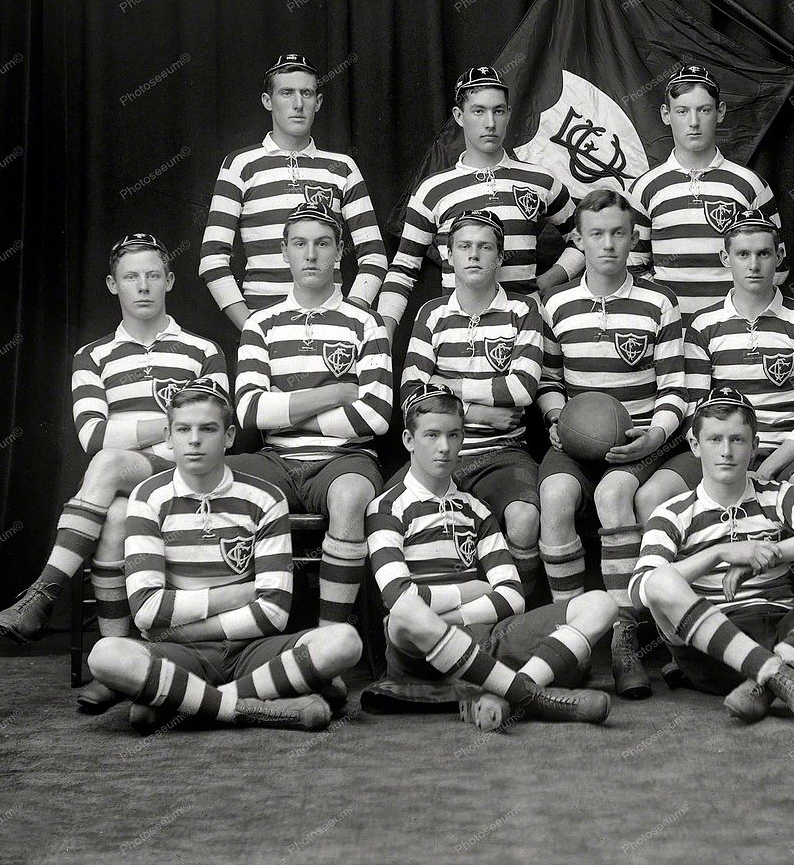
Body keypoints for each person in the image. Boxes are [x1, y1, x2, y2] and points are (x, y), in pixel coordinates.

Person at [0, 233, 226, 713]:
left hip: (188, 473)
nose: (143, 286)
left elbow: (210, 430)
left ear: (170, 280)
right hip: (131, 478)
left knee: (110, 463)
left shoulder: (202, 350)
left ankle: (43, 593)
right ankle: (119, 665)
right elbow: (93, 435)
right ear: (113, 285)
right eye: (131, 277)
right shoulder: (92, 356)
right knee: (114, 516)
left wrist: (156, 431)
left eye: (153, 275)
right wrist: (171, 424)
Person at [87, 378, 362, 734]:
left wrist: (178, 628)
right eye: (183, 429)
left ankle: (186, 704)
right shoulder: (147, 497)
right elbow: (146, 610)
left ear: (229, 436)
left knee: (343, 642)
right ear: (168, 437)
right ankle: (248, 708)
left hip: (250, 650)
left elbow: (274, 613)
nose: (194, 440)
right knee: (105, 655)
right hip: (182, 655)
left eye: (208, 429)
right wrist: (236, 595)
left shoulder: (265, 498)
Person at [362, 385, 614, 730]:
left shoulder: (477, 511)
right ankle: (530, 696)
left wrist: (456, 616)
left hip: (484, 639)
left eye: (453, 435)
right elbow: (399, 596)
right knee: (404, 613)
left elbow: (512, 597)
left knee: (601, 604)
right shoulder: (386, 508)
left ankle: (505, 691)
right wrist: (472, 591)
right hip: (418, 646)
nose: (444, 447)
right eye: (432, 435)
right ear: (409, 440)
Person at [631, 388, 794, 727]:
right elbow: (641, 590)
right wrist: (719, 553)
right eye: (714, 439)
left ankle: (776, 673)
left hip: (791, 636)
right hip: (715, 650)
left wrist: (772, 553)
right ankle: (781, 674)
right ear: (695, 445)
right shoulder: (673, 512)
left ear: (754, 446)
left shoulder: (777, 497)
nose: (726, 451)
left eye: (737, 439)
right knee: (659, 581)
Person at [536, 189, 686, 699]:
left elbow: (675, 388)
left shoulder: (659, 301)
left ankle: (624, 638)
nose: (608, 244)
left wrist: (655, 435)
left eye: (618, 233)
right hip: (576, 440)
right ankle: (572, 636)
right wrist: (555, 418)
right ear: (578, 240)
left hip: (641, 437)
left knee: (613, 494)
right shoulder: (557, 303)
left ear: (633, 237)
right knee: (554, 497)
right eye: (596, 234)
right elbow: (548, 380)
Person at [231, 203, 392, 626]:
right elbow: (248, 410)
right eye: (300, 244)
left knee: (351, 497)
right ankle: (242, 629)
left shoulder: (366, 323)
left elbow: (375, 417)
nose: (311, 255)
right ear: (283, 251)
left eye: (322, 244)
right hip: (275, 460)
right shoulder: (260, 324)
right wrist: (333, 394)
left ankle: (331, 636)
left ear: (339, 252)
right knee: (214, 482)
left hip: (345, 459)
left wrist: (284, 410)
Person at [636, 210, 794, 520]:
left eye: (763, 253)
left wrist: (769, 467)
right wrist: (724, 460)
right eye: (743, 254)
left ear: (779, 256)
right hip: (720, 450)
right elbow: (694, 410)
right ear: (725, 257)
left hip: (785, 452)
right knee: (650, 497)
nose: (753, 265)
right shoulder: (703, 324)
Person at [398, 210, 547, 597]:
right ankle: (409, 618)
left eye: (485, 247)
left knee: (524, 516)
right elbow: (411, 394)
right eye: (464, 246)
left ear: (500, 257)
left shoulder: (523, 311)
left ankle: (519, 613)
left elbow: (522, 388)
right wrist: (477, 412)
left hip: (503, 451)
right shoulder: (432, 313)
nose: (474, 255)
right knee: (385, 510)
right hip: (437, 447)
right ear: (449, 255)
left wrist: (446, 384)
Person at [377, 66, 581, 343]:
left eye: (498, 111)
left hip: (526, 334)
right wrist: (384, 331)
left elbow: (583, 238)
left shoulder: (540, 180)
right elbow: (403, 268)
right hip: (459, 336)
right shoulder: (431, 190)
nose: (490, 123)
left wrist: (549, 280)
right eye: (478, 111)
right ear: (459, 116)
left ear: (509, 113)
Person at [200, 53, 388, 326]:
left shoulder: (342, 167)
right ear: (267, 101)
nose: (298, 104)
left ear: (318, 102)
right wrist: (251, 327)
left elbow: (374, 254)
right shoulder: (240, 165)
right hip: (263, 324)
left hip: (331, 326)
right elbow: (212, 258)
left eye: (306, 93)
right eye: (286, 93)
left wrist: (349, 317)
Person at [627, 64, 787, 320]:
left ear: (720, 112)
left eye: (704, 110)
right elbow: (634, 266)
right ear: (666, 114)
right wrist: (666, 317)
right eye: (682, 111)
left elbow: (777, 267)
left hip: (731, 333)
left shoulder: (750, 185)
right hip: (671, 334)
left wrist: (736, 320)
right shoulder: (644, 188)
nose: (694, 122)